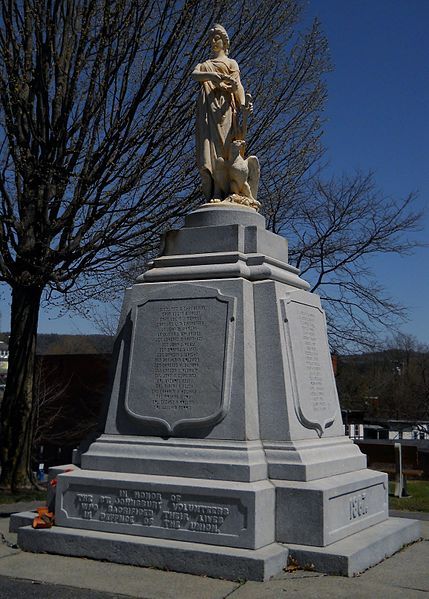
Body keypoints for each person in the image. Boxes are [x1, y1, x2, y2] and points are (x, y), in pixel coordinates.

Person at [192, 24, 252, 200]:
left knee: (226, 149)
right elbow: (195, 75)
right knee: (209, 152)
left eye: (217, 38)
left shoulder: (231, 63)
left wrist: (242, 104)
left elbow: (238, 84)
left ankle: (227, 189)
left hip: (226, 111)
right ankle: (214, 190)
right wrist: (212, 76)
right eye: (211, 39)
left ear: (225, 42)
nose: (213, 42)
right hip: (208, 113)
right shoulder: (205, 65)